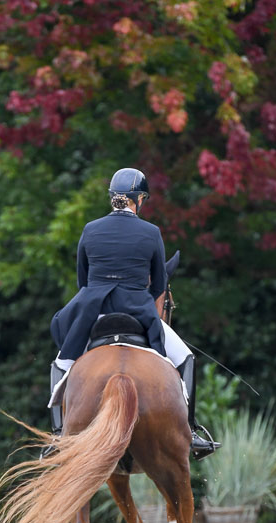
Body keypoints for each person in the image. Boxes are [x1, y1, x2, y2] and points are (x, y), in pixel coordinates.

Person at [48, 167, 219, 460]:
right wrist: (139, 299)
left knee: (62, 362)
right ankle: (190, 433)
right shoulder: (151, 232)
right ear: (138, 199)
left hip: (95, 313)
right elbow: (159, 283)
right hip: (139, 311)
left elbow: (83, 281)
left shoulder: (91, 229)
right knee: (186, 358)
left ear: (113, 198)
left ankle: (57, 435)